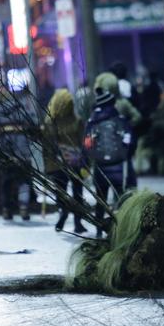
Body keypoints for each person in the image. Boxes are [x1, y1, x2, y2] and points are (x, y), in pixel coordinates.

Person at [84, 72, 133, 237]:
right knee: (120, 199)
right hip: (119, 166)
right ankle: (120, 230)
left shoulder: (92, 122)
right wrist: (126, 155)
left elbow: (86, 144)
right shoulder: (119, 119)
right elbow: (130, 141)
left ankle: (99, 230)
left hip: (100, 168)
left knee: (101, 200)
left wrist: (88, 160)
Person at [43, 88, 87, 234]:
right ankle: (78, 222)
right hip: (75, 162)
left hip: (57, 164)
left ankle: (63, 210)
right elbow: (83, 142)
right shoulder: (77, 120)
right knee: (77, 192)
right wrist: (86, 163)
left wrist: (47, 165)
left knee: (60, 191)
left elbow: (47, 146)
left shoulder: (49, 122)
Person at [0, 87, 36, 221]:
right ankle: (24, 208)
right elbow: (33, 128)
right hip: (23, 154)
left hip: (5, 155)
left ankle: (7, 209)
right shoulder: (22, 112)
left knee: (6, 182)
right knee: (24, 182)